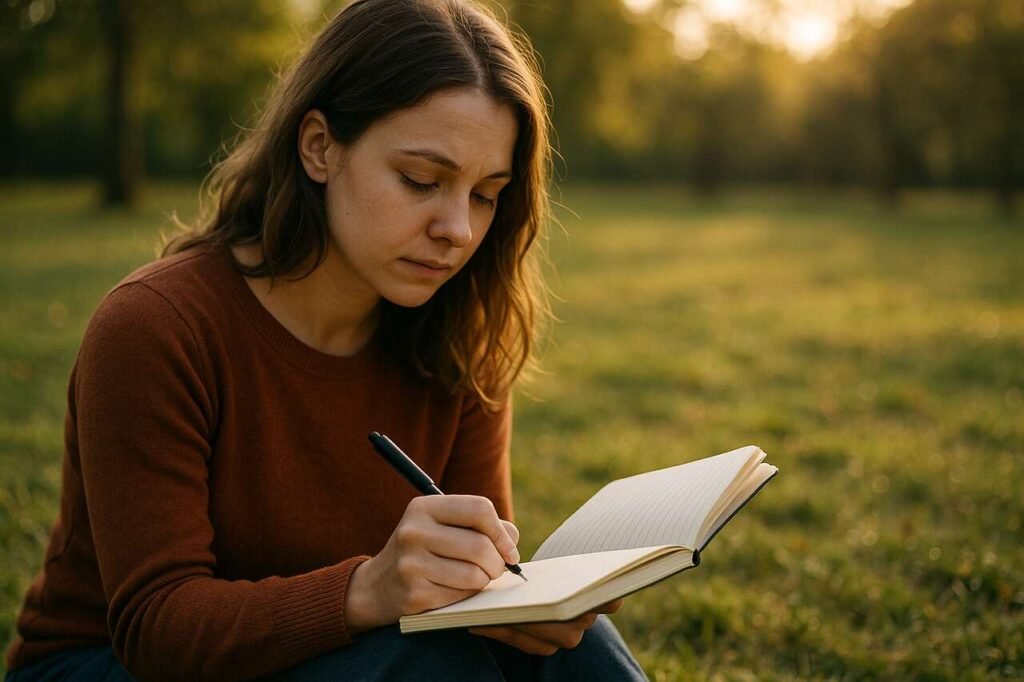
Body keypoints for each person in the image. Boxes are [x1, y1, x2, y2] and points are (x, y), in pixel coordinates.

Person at [4, 0, 649, 680]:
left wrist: (517, 601)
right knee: (426, 662)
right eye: (421, 181)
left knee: (579, 652)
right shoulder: (157, 327)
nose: (457, 229)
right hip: (113, 665)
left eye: (486, 194)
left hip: (354, 653)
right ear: (318, 147)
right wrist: (369, 589)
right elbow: (158, 629)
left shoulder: (458, 337)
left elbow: (468, 593)